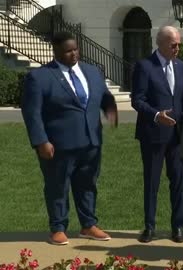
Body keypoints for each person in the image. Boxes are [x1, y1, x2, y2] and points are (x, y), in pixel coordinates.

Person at [21, 31, 117, 245]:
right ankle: (57, 228)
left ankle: (88, 225)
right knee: (58, 186)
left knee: (88, 184)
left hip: (91, 141)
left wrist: (110, 107)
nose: (74, 54)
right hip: (58, 145)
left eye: (75, 49)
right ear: (55, 51)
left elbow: (103, 95)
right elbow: (31, 112)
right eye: (68, 51)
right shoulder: (40, 77)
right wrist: (40, 141)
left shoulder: (92, 72)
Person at [131, 26, 183, 243]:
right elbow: (137, 100)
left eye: (179, 45)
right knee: (152, 182)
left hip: (177, 135)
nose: (177, 48)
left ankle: (178, 227)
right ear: (161, 43)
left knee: (178, 181)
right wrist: (156, 115)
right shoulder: (144, 66)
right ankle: (149, 226)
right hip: (153, 134)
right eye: (173, 45)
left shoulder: (181, 65)